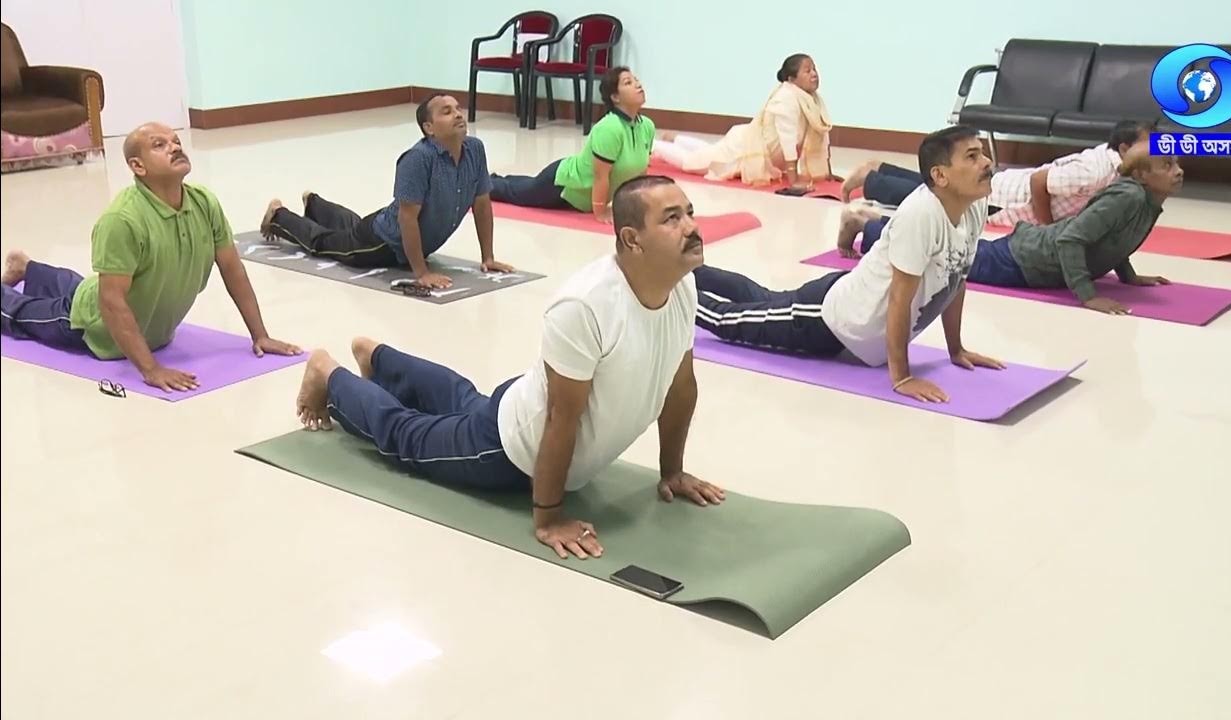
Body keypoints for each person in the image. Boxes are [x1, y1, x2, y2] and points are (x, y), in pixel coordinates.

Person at [293, 176, 724, 560]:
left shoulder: (681, 284)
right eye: (672, 219)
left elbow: (680, 386)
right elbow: (560, 417)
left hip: (523, 402)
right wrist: (549, 516)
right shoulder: (585, 305)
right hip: (509, 453)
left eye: (689, 213)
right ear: (632, 239)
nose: (691, 227)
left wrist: (673, 471)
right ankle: (328, 375)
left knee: (466, 401)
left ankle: (380, 358)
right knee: (407, 438)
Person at [695, 126, 1005, 403]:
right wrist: (902, 378)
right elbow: (900, 296)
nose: (987, 163)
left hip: (844, 292)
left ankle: (694, 274)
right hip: (827, 322)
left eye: (983, 154)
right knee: (729, 322)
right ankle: (677, 293)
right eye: (972, 156)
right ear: (940, 175)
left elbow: (956, 277)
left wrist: (956, 350)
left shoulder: (974, 205)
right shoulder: (921, 215)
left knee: (761, 298)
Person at [1, 122, 300, 392]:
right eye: (160, 145)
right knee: (23, 313)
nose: (175, 147)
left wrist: (260, 335)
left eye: (176, 141)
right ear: (138, 166)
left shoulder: (204, 202)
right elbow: (110, 301)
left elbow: (233, 269)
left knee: (91, 284)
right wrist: (151, 369)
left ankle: (26, 268)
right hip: (93, 327)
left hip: (137, 315)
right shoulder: (122, 219)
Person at [260, 94, 513, 289]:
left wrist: (487, 257)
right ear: (429, 128)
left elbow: (481, 203)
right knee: (325, 244)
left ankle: (315, 204)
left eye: (458, 109)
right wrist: (421, 273)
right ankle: (279, 216)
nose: (458, 115)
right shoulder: (417, 158)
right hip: (384, 243)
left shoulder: (475, 149)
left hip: (386, 226)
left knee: (353, 229)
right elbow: (407, 218)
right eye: (447, 112)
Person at [963, 145, 1182, 315]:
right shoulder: (1128, 197)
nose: (1179, 171)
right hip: (1021, 259)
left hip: (1032, 255)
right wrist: (1088, 297)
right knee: (949, 261)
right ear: (1141, 175)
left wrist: (1129, 277)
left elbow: (1116, 238)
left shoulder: (1147, 202)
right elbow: (1069, 240)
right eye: (1167, 165)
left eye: (1176, 163)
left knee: (958, 252)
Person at [842, 120, 1154, 224]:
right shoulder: (1096, 170)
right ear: (1125, 150)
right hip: (1006, 197)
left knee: (939, 184)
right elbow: (1039, 180)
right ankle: (872, 180)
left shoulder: (1115, 166)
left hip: (1006, 189)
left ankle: (878, 170)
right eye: (1149, 144)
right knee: (934, 196)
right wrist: (1045, 227)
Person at [489, 67, 656, 224]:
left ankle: (497, 179)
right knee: (517, 194)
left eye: (636, 80)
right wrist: (600, 212)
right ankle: (482, 183)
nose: (638, 84)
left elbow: (640, 173)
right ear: (615, 97)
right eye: (628, 82)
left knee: (527, 186)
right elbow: (600, 176)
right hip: (565, 186)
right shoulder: (610, 128)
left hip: (581, 195)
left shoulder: (647, 126)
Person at [651, 53, 838, 191]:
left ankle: (676, 139)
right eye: (807, 71)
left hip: (746, 141)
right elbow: (787, 139)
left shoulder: (812, 99)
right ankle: (652, 144)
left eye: (814, 69)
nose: (814, 74)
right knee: (692, 162)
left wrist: (827, 172)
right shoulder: (786, 98)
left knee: (709, 152)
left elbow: (822, 134)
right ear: (791, 79)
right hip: (743, 147)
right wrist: (793, 180)